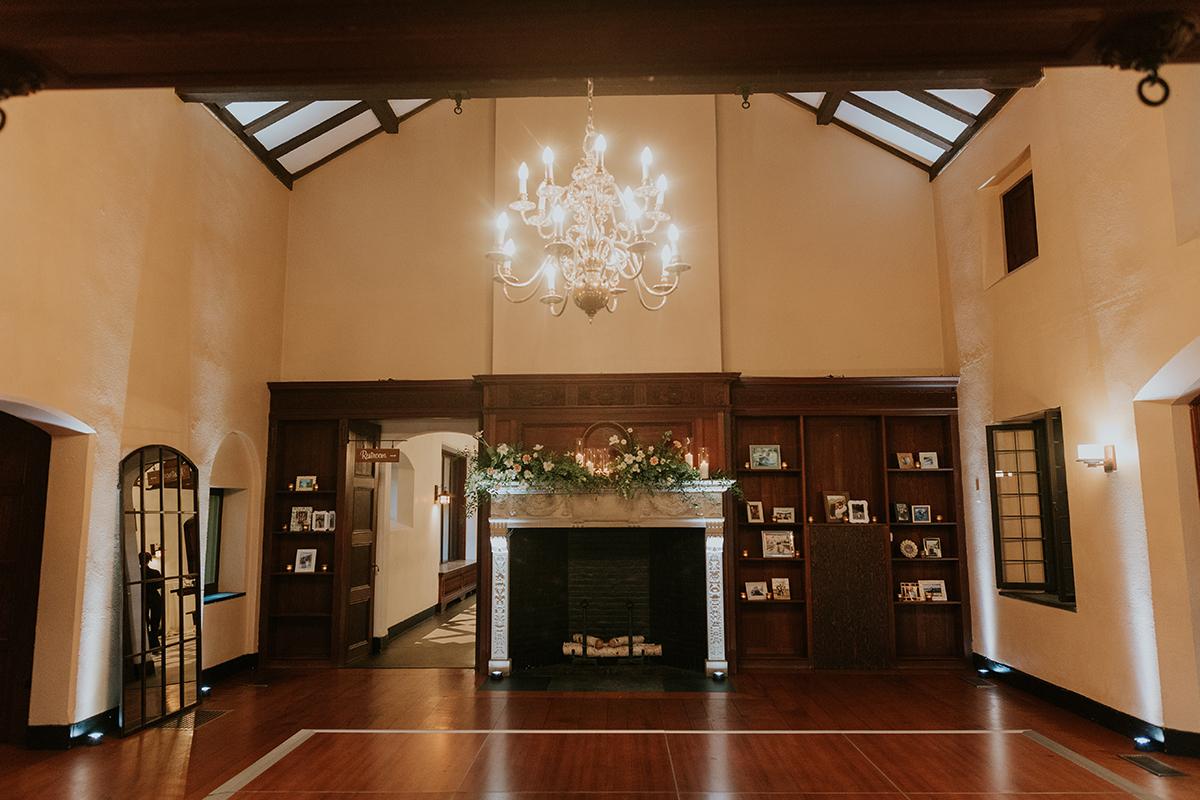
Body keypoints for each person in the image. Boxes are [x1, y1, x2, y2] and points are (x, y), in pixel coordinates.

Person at [140, 551, 164, 649]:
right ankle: (154, 642)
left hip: (143, 597)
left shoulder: (137, 574)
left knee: (144, 620)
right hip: (154, 597)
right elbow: (160, 585)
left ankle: (146, 642)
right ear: (149, 560)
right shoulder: (155, 572)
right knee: (155, 621)